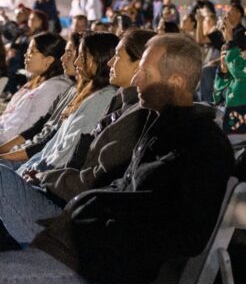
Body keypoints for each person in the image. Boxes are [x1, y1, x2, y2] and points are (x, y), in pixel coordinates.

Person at [0, 34, 235, 284]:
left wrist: (78, 222)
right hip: (85, 250)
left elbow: (156, 228)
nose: (136, 79)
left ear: (176, 82)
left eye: (145, 72)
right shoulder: (161, 126)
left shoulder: (194, 143)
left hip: (99, 267)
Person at [0, 29, 155, 249]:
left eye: (118, 56)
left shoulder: (113, 104)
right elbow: (49, 143)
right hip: (53, 185)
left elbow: (89, 177)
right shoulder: (112, 101)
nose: (111, 62)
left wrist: (42, 176)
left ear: (140, 65)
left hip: (65, 206)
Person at [15, 32, 119, 180]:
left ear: (99, 58)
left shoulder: (103, 97)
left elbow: (66, 153)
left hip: (46, 179)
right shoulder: (88, 93)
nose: (76, 62)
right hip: (36, 168)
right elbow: (51, 146)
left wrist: (34, 174)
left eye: (82, 57)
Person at [0, 33, 83, 164]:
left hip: (17, 153)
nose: (26, 55)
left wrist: (2, 152)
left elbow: (31, 132)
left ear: (49, 59)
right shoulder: (38, 81)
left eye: (32, 51)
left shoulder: (56, 88)